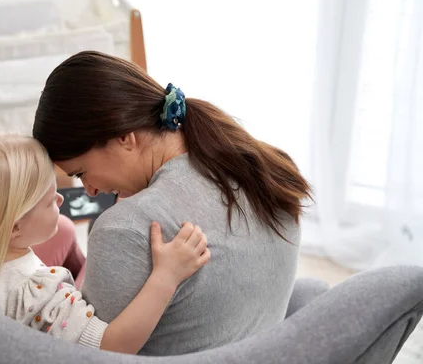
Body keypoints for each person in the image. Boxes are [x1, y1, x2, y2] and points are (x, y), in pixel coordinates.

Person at [32, 50, 313, 356]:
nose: (90, 191)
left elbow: (88, 355)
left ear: (124, 138)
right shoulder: (267, 169)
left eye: (82, 173)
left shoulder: (126, 227)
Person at [0, 133, 210, 354]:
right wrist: (166, 276)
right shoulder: (36, 294)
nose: (61, 200)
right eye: (51, 200)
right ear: (14, 227)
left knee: (65, 232)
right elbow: (109, 346)